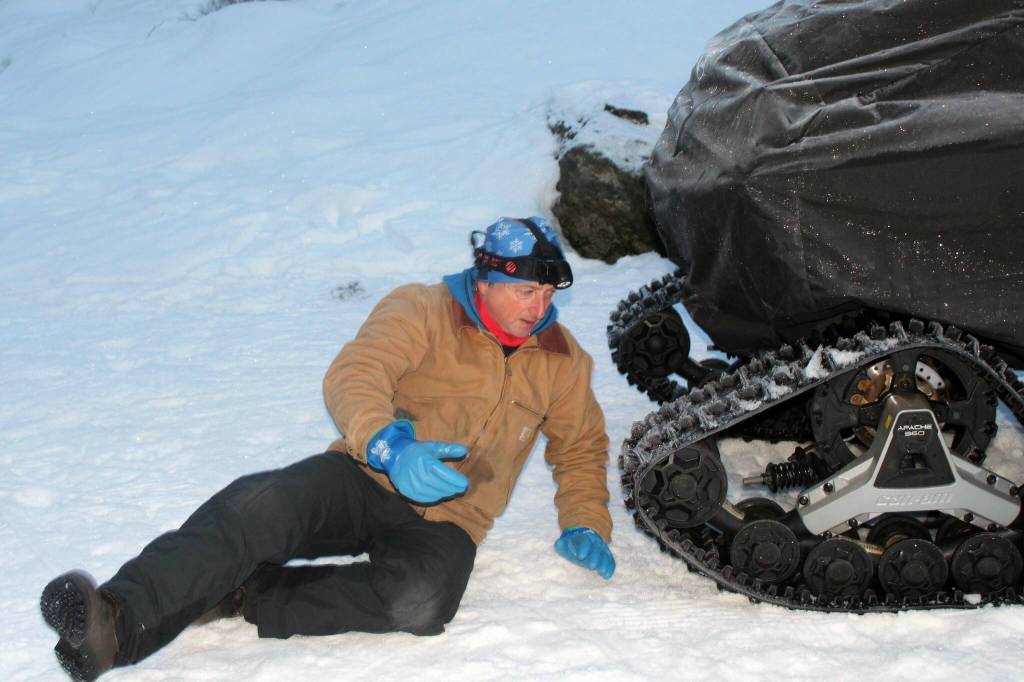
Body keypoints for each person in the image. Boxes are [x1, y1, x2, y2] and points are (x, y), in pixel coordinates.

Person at [40, 216, 616, 681]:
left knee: (422, 604)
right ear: (485, 279)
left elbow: (581, 445)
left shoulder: (562, 358)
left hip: (451, 517)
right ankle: (115, 623)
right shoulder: (421, 309)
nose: (538, 307)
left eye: (545, 293)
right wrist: (391, 445)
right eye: (524, 290)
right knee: (264, 505)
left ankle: (247, 594)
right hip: (366, 474)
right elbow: (356, 373)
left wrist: (587, 521)